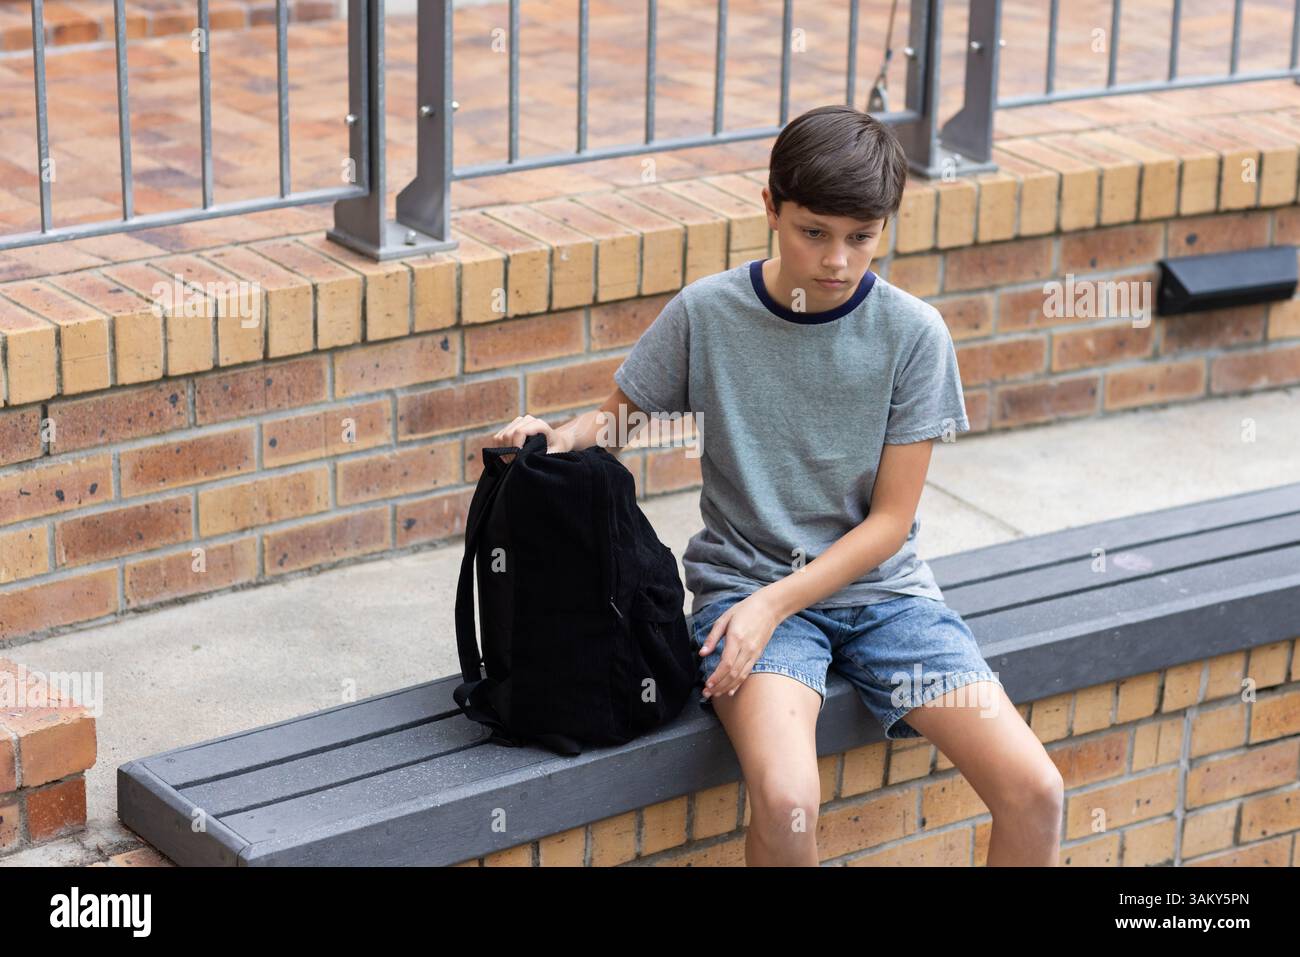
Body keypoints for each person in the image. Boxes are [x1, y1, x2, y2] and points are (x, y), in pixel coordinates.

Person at [492, 104, 1064, 866]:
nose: (837, 259)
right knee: (790, 800)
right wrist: (553, 438)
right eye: (814, 231)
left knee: (1037, 788)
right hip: (747, 586)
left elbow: (889, 525)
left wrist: (773, 605)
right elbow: (617, 420)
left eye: (862, 237)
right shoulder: (710, 311)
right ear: (770, 207)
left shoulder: (914, 334)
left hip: (885, 599)